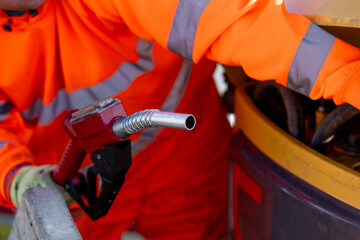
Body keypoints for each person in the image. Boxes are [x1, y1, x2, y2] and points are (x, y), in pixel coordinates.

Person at [0, 0, 360, 239]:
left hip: (185, 159)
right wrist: (18, 179)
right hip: (76, 184)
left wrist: (350, 76)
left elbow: (231, 20)